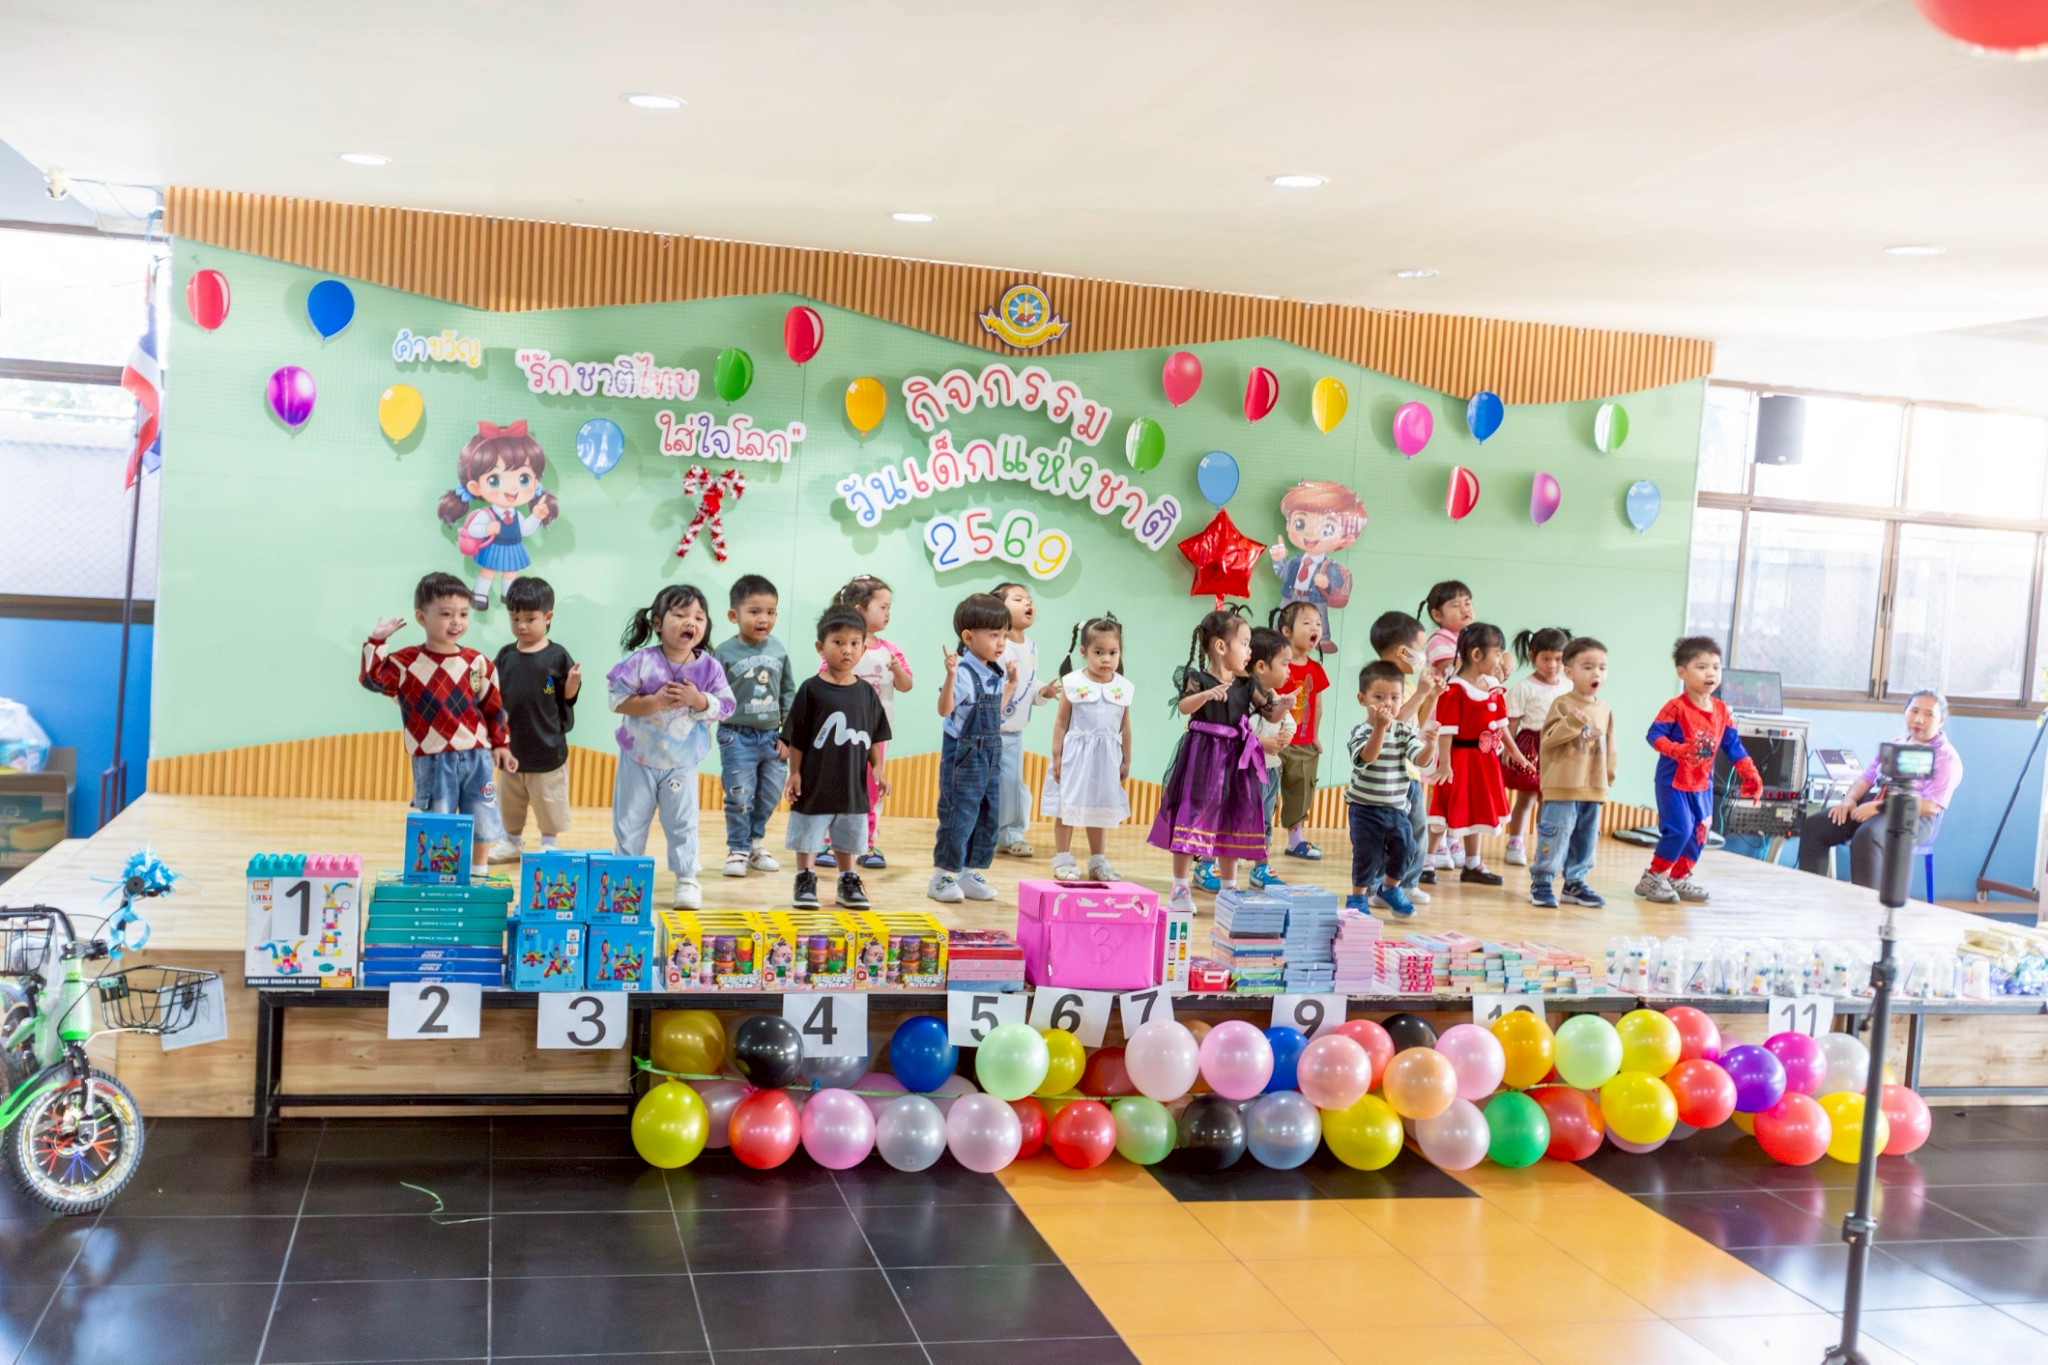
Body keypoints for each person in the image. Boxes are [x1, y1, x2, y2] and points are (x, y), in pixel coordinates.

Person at [361, 572, 513, 879]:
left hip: (477, 755)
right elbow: (371, 678)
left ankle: (479, 872)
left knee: (481, 813)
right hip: (432, 758)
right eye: (446, 614)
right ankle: (439, 876)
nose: (456, 622)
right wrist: (376, 641)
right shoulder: (405, 663)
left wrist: (501, 744)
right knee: (438, 817)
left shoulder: (478, 662)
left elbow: (493, 706)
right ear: (422, 617)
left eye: (463, 614)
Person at [608, 584, 735, 910]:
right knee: (629, 820)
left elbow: (727, 706)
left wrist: (699, 700)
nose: (690, 621)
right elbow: (617, 700)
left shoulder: (709, 667)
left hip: (682, 762)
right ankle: (626, 882)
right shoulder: (642, 661)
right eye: (680, 614)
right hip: (638, 758)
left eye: (698, 617)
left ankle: (687, 878)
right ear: (657, 623)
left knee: (682, 821)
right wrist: (654, 702)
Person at [1149, 608, 1278, 912]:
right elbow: (1184, 706)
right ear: (1221, 646)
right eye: (1244, 643)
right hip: (1203, 757)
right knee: (1191, 815)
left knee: (1232, 817)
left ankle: (1229, 888)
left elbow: (1270, 713)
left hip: (1235, 760)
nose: (1249, 650)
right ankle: (1180, 887)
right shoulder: (1198, 678)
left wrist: (1283, 705)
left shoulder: (1247, 683)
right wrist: (1207, 695)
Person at [781, 605, 892, 909]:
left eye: (855, 643)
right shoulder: (811, 689)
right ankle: (805, 878)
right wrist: (795, 772)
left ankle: (848, 881)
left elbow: (875, 736)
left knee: (849, 835)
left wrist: (878, 770)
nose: (847, 650)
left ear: (863, 647)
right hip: (815, 782)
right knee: (808, 832)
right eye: (838, 642)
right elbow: (798, 736)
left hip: (852, 785)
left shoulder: (866, 693)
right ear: (821, 646)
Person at [1797, 690, 1961, 889]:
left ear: (1941, 720)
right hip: (1872, 804)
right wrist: (1849, 800)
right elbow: (1866, 778)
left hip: (1913, 816)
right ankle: (1812, 894)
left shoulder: (1945, 756)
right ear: (1905, 711)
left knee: (1867, 836)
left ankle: (1866, 903)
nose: (1919, 719)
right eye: (1914, 711)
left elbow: (1932, 806)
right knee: (1815, 826)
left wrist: (1880, 807)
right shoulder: (1895, 744)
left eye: (1929, 714)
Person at [1638, 635, 1760, 905]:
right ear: (1682, 672)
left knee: (1700, 833)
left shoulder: (1721, 710)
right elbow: (1653, 735)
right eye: (1702, 667)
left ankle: (1678, 878)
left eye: (1716, 667)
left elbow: (1733, 745)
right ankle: (1654, 876)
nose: (1711, 673)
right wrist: (1677, 750)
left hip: (1702, 785)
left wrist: (1750, 773)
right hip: (1673, 783)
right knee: (1679, 830)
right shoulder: (1676, 707)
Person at [931, 593, 1024, 905]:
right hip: (964, 756)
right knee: (959, 814)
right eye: (994, 635)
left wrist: (1011, 685)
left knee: (987, 814)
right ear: (968, 637)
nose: (1001, 643)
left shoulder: (994, 672)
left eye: (1004, 635)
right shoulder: (963, 673)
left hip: (990, 754)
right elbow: (944, 710)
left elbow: (993, 712)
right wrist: (950, 676)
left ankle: (968, 872)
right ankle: (942, 876)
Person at [815, 574, 912, 872]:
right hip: (841, 733)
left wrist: (897, 670)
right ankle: (829, 841)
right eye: (882, 607)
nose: (887, 613)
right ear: (859, 608)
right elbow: (823, 680)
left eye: (889, 607)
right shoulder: (845, 647)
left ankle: (866, 841)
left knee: (872, 788)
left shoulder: (890, 649)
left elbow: (906, 685)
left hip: (876, 736)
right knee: (835, 785)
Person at [1430, 622, 1533, 885]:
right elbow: (1446, 731)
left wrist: (1516, 752)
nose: (1500, 660)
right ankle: (1427, 860)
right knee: (1446, 807)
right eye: (1497, 653)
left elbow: (1501, 724)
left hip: (1483, 761)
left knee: (1476, 809)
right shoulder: (1455, 690)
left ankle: (1472, 863)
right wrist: (1445, 764)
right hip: (1459, 759)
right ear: (1477, 654)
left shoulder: (1492, 686)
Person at [488, 576, 580, 863]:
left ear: (547, 617)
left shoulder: (557, 656)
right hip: (512, 746)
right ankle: (512, 841)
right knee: (510, 800)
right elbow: (493, 692)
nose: (522, 626)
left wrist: (572, 683)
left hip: (547, 745)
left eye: (530, 619)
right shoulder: (506, 655)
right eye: (515, 618)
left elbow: (566, 697)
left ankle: (549, 843)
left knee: (549, 799)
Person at [714, 574, 796, 879]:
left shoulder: (779, 650)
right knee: (739, 795)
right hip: (735, 736)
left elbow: (788, 692)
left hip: (772, 738)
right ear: (733, 615)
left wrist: (788, 735)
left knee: (770, 794)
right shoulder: (723, 652)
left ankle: (754, 842)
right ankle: (737, 848)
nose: (764, 619)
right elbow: (712, 692)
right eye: (754, 611)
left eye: (771, 612)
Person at [1042, 615, 1134, 881]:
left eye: (1112, 652)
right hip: (1075, 757)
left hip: (1106, 760)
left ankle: (1097, 861)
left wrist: (1126, 759)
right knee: (1067, 807)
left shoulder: (1123, 687)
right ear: (1084, 651)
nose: (1106, 659)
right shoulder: (1073, 682)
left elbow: (1125, 726)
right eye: (1098, 652)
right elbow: (1061, 722)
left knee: (1100, 809)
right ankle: (1063, 858)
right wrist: (1057, 756)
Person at [435, 419, 561, 611]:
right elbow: (473, 529)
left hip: (513, 547)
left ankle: (508, 594)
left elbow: (525, 530)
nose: (512, 488)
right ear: (475, 487)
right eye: (494, 480)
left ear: (535, 483)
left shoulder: (515, 514)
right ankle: (480, 594)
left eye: (523, 479)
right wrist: (487, 528)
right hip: (494, 548)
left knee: (510, 573)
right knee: (489, 571)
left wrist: (535, 516)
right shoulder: (487, 513)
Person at [1346, 660, 1438, 918]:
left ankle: (1390, 888)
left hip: (1396, 808)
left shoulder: (1404, 732)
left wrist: (1430, 745)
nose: (1388, 703)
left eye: (1395, 698)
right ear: (1362, 699)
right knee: (1367, 855)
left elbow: (1420, 760)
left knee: (1407, 847)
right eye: (1379, 697)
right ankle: (1358, 896)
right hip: (1364, 809)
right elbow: (1367, 757)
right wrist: (1380, 728)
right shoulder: (1361, 730)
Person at [1530, 637, 1615, 909]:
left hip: (1594, 787)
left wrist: (1609, 774)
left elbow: (1610, 743)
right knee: (1555, 834)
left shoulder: (1604, 708)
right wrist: (1573, 721)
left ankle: (1575, 883)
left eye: (1602, 667)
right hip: (1562, 786)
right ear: (1570, 672)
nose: (1596, 673)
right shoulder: (1563, 704)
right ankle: (1542, 881)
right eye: (1588, 667)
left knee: (1586, 837)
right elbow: (1549, 739)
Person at [1369, 610, 1445, 904]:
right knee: (1386, 833)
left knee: (1416, 829)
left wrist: (1431, 696)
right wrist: (1421, 693)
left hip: (1410, 771)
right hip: (1387, 774)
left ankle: (1408, 882)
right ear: (1404, 651)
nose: (1424, 655)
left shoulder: (1410, 683)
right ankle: (1378, 885)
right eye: (1420, 647)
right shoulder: (1383, 682)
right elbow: (1395, 721)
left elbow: (1417, 722)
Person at [993, 581, 1057, 858]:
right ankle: (989, 833)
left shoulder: (1031, 647)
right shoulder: (998, 645)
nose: (1028, 603)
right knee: (993, 784)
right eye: (1018, 599)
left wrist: (1042, 691)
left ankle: (1011, 834)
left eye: (1029, 599)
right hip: (991, 728)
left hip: (1014, 731)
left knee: (1012, 785)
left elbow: (1029, 683)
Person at [1268, 480, 1366, 653]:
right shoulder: (1296, 561)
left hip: (1314, 597)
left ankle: (1324, 638)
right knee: (1285, 614)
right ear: (1288, 524)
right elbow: (1283, 572)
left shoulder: (1328, 565)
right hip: (1291, 595)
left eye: (1327, 529)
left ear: (1345, 538)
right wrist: (1278, 560)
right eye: (1300, 523)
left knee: (1319, 617)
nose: (1311, 533)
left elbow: (1336, 581)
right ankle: (1279, 635)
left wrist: (1327, 584)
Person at [1503, 626, 1573, 866]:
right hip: (1531, 746)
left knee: (1549, 801)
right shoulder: (1524, 687)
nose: (1552, 665)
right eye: (1546, 659)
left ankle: (1546, 846)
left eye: (1558, 659)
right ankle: (1515, 842)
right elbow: (1512, 721)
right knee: (1526, 798)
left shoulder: (1568, 686)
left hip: (1558, 747)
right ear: (1532, 656)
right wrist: (1509, 749)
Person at [1417, 580, 1475, 869]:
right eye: (1456, 604)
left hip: (1458, 723)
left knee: (1455, 781)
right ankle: (1436, 842)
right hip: (1439, 722)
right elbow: (1457, 669)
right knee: (1441, 781)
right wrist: (1485, 660)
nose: (1465, 608)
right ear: (1437, 615)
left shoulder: (1468, 641)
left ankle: (1452, 836)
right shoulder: (1440, 639)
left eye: (1468, 602)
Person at [1273, 601, 1332, 863]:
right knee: (1263, 789)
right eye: (1307, 623)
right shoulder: (1276, 665)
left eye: (1318, 623)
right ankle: (1255, 836)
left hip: (1304, 742)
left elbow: (1317, 705)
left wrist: (1315, 736)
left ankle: (1296, 838)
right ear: (1286, 631)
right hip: (1274, 740)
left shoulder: (1316, 669)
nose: (1315, 628)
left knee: (1301, 790)